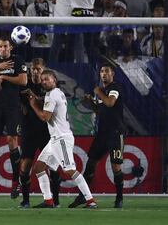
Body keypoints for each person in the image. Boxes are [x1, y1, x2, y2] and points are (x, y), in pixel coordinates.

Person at [28, 69, 97, 208]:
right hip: (55, 139)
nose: (44, 81)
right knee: (39, 167)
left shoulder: (51, 95)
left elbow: (44, 117)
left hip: (61, 139)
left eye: (47, 79)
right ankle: (48, 201)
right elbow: (51, 106)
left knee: (69, 169)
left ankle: (90, 200)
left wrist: (33, 104)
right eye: (42, 80)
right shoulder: (58, 92)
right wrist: (38, 99)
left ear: (54, 79)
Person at [69, 63, 125, 209]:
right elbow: (101, 110)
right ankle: (83, 196)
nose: (103, 74)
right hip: (102, 133)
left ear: (112, 73)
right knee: (91, 162)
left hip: (115, 132)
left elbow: (110, 103)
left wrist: (98, 92)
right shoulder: (102, 90)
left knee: (116, 166)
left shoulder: (114, 88)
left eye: (106, 71)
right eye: (101, 71)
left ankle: (119, 198)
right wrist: (91, 103)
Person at [0, 35, 27, 198]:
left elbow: (23, 80)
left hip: (12, 107)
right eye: (0, 46)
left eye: (5, 46)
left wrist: (4, 76)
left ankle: (16, 182)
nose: (3, 49)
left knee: (11, 141)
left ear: (11, 47)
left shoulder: (18, 61)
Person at [18, 58, 60, 208]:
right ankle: (26, 200)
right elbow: (20, 106)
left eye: (38, 69)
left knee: (52, 167)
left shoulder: (49, 87)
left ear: (44, 69)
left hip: (46, 132)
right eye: (33, 69)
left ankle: (55, 200)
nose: (35, 72)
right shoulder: (24, 85)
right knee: (25, 166)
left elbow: (51, 105)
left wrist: (35, 99)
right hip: (29, 131)